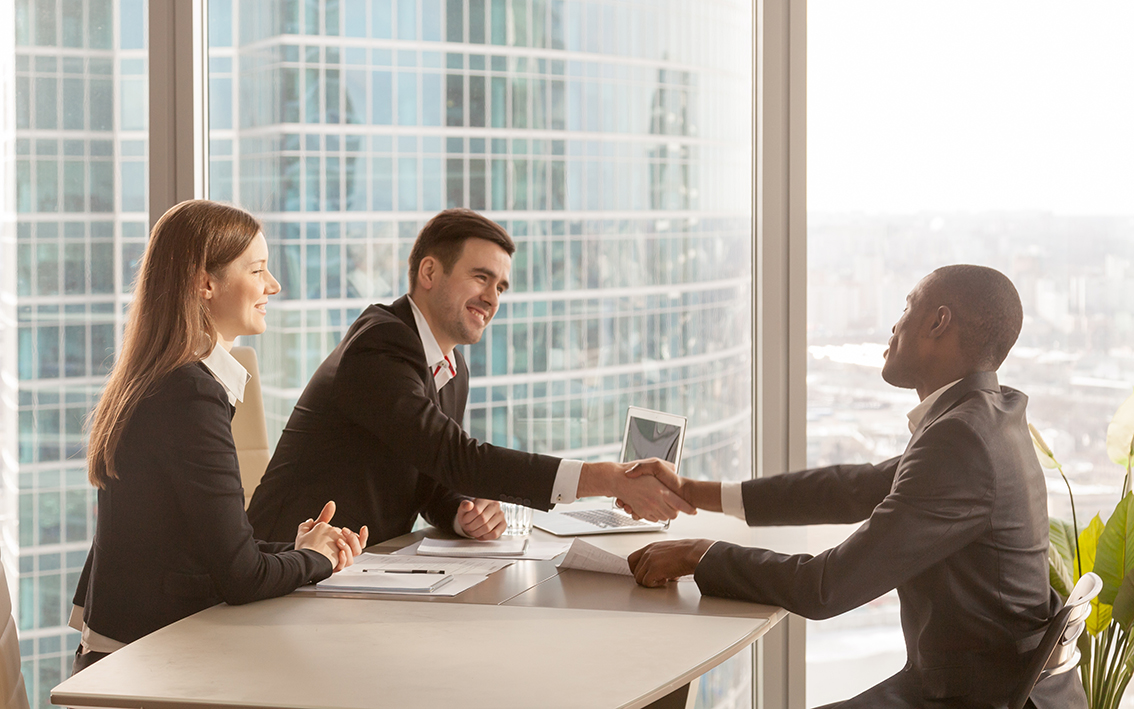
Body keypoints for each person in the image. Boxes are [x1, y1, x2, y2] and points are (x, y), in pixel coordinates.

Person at [626, 265, 1087, 709]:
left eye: (907, 306)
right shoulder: (985, 417)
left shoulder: (961, 439)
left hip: (982, 697)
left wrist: (700, 554)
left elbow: (826, 587)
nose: (895, 324)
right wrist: (692, 491)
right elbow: (851, 488)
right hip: (987, 684)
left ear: (938, 322)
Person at [247, 208, 693, 545]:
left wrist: (462, 513)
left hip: (359, 567)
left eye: (500, 287)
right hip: (287, 562)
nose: (492, 297)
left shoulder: (451, 369)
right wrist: (605, 478)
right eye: (481, 277)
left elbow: (433, 476)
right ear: (429, 272)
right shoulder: (380, 344)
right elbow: (457, 457)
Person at [70, 200, 366, 674]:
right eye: (258, 270)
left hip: (133, 654)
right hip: (143, 670)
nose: (273, 285)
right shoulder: (188, 393)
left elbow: (200, 548)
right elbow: (242, 577)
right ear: (205, 283)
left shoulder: (164, 378)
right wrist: (317, 560)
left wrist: (301, 548)